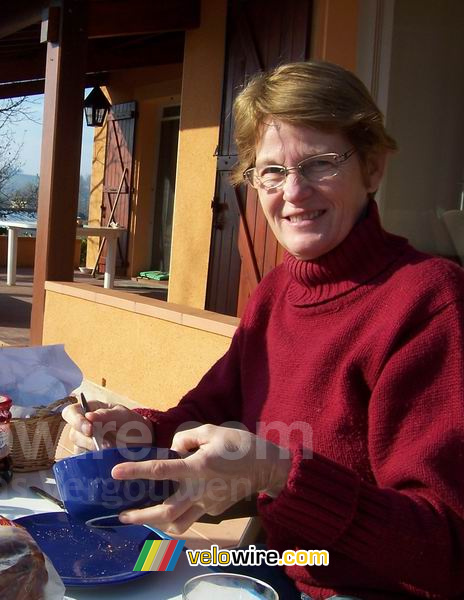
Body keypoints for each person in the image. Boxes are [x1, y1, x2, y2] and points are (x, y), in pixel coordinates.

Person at [63, 62, 464, 599]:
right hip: (278, 561)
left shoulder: (429, 302)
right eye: (271, 171)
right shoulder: (275, 294)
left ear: (372, 168)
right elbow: (201, 412)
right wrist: (133, 430)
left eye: (320, 163)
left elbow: (445, 549)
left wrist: (276, 472)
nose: (293, 192)